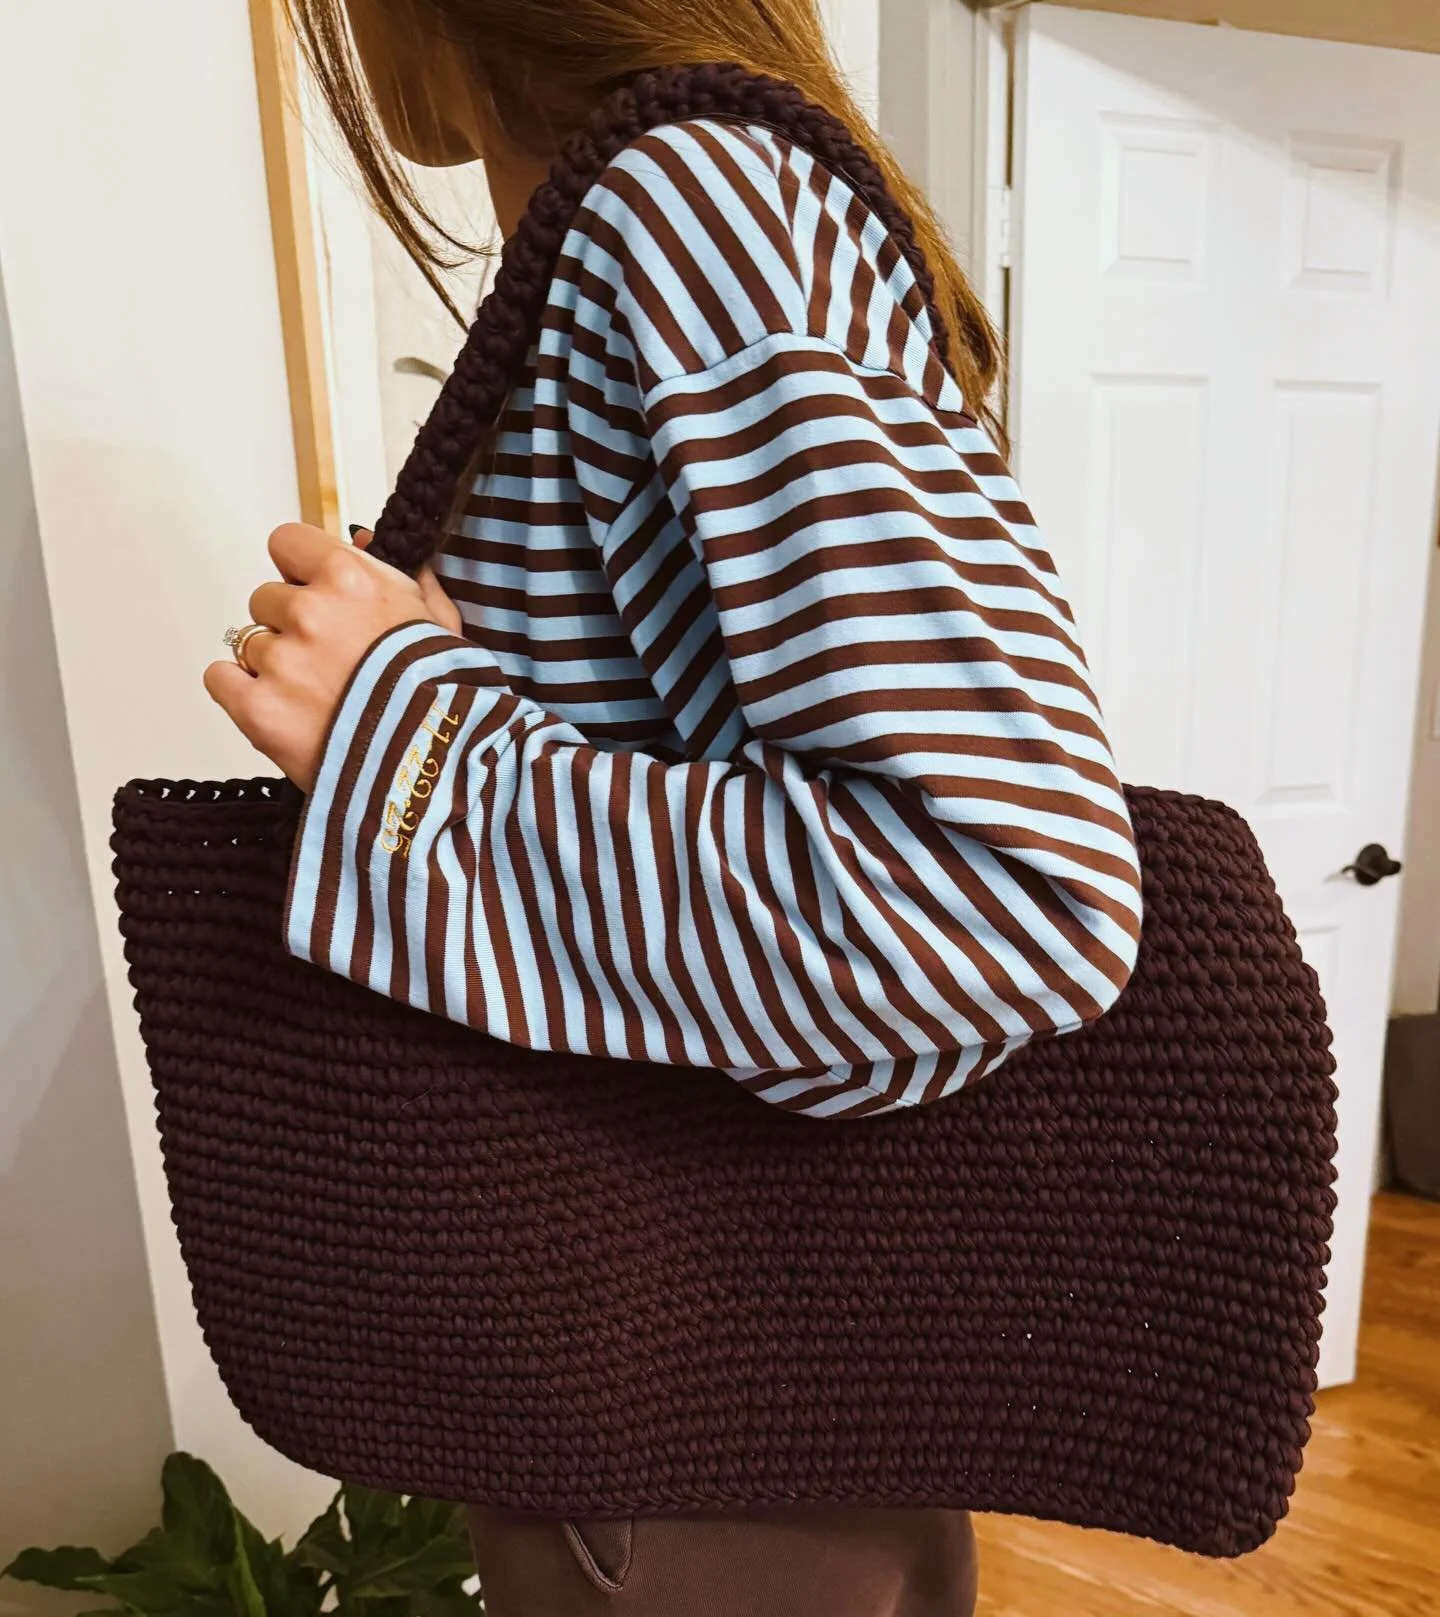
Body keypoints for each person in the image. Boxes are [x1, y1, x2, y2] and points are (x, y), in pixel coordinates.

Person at [205, 1, 1144, 1611]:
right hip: (717, 1390)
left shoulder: (690, 202)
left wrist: (403, 737)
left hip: (685, 1431)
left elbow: (1005, 893)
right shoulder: (664, 214)